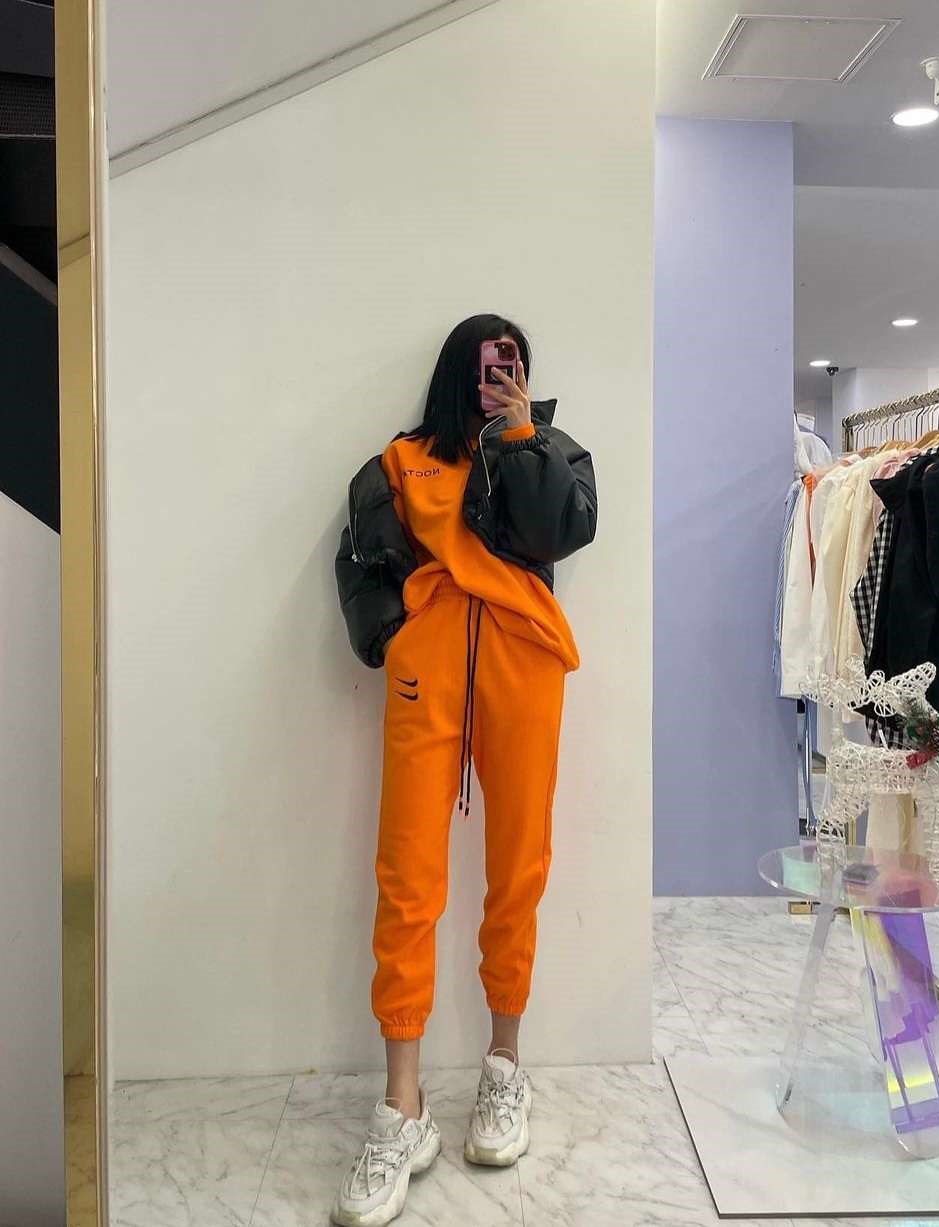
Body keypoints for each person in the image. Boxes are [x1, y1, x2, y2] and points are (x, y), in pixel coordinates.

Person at [332, 314, 597, 1225]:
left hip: (524, 665)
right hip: (429, 668)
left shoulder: (549, 450)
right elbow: (361, 557)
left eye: (513, 364)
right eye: (487, 365)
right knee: (407, 873)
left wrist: (521, 435)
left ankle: (504, 1065)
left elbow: (558, 531)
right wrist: (399, 636)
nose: (500, 375)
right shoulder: (402, 461)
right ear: (458, 370)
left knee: (519, 863)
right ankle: (402, 1105)